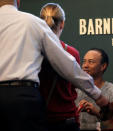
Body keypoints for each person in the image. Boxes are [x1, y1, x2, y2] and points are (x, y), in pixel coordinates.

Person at [0, 0, 108, 131]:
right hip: (24, 99)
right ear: (18, 1)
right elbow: (68, 66)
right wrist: (98, 96)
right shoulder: (31, 22)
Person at [39, 3, 81, 131]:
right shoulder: (72, 53)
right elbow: (75, 84)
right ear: (62, 24)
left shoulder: (34, 51)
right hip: (67, 119)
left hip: (41, 118)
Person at [75, 48, 113, 131]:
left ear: (103, 66)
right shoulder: (74, 91)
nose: (85, 65)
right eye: (84, 61)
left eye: (91, 62)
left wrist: (98, 113)